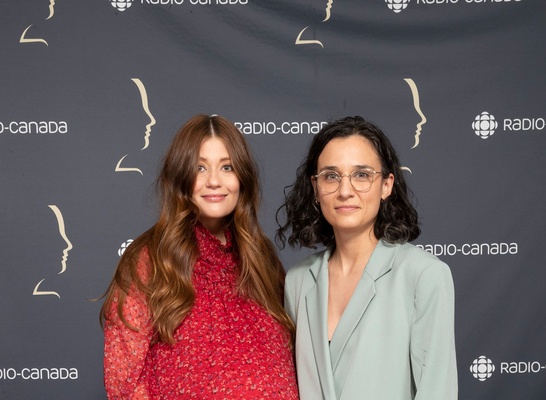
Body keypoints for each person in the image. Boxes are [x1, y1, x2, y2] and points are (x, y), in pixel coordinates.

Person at [101, 114, 299, 399]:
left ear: (242, 177)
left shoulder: (261, 257)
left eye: (227, 167)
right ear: (181, 176)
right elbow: (124, 381)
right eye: (200, 168)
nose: (214, 181)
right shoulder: (149, 260)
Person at [277, 116, 458, 400]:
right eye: (331, 176)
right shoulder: (298, 280)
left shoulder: (424, 275)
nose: (345, 190)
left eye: (361, 175)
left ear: (386, 185)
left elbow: (438, 391)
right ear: (315, 187)